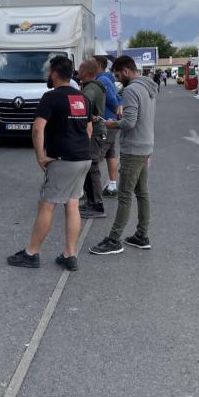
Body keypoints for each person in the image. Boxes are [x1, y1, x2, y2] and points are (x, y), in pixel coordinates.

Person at [7, 55, 92, 272]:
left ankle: (31, 253)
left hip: (62, 160)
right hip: (83, 158)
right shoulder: (82, 97)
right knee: (72, 203)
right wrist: (79, 149)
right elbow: (89, 129)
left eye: (49, 72)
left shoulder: (51, 97)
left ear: (54, 73)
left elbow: (37, 128)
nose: (48, 75)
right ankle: (69, 254)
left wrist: (40, 157)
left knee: (47, 205)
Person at [89, 55, 157, 255]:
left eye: (119, 75)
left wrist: (112, 124)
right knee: (142, 193)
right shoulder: (149, 86)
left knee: (125, 195)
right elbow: (141, 116)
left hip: (133, 148)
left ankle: (114, 239)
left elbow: (129, 123)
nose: (118, 80)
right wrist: (125, 116)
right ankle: (141, 235)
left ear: (126, 70)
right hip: (146, 145)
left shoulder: (131, 89)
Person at [78, 60, 108, 219]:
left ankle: (97, 205)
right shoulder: (92, 86)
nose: (77, 70)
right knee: (89, 169)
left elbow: (82, 107)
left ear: (86, 72)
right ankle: (91, 202)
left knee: (92, 169)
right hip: (95, 131)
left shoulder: (90, 89)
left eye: (80, 69)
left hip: (93, 133)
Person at [94, 56, 121, 198]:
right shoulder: (107, 78)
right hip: (111, 122)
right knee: (110, 154)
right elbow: (117, 96)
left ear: (98, 65)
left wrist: (117, 109)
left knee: (95, 158)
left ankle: (94, 192)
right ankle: (112, 186)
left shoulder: (101, 80)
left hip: (107, 123)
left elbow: (112, 99)